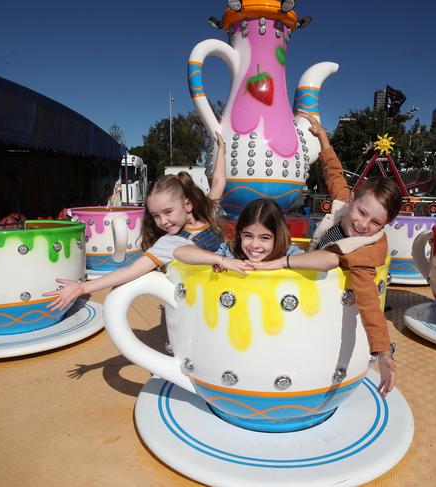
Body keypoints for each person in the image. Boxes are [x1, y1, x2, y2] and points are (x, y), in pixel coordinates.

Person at [269, 111, 402, 398]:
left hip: (320, 300)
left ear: (384, 226)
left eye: (375, 223)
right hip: (306, 276)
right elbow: (334, 173)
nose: (363, 224)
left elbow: (369, 303)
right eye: (362, 212)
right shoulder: (344, 205)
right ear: (352, 199)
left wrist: (381, 350)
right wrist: (323, 138)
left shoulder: (364, 251)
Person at [45, 133, 231, 311]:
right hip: (205, 303)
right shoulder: (169, 243)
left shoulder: (207, 214)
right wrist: (83, 288)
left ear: (187, 204)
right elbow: (130, 271)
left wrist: (221, 149)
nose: (163, 221)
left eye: (168, 212)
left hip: (234, 289)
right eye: (156, 215)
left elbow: (218, 182)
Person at [174, 198, 338, 272]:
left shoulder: (286, 252)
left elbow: (330, 260)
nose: (254, 245)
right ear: (239, 234)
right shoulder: (230, 251)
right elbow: (180, 252)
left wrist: (281, 263)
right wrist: (222, 261)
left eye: (265, 238)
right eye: (248, 235)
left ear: (277, 236)